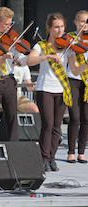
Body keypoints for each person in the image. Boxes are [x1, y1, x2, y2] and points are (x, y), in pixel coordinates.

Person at [26, 12, 88, 172]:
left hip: (62, 91)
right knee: (47, 124)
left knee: (56, 127)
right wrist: (46, 56)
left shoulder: (68, 48)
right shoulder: (41, 46)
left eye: (62, 27)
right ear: (49, 28)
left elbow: (74, 71)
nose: (60, 30)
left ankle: (52, 158)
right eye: (56, 27)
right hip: (44, 89)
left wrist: (86, 63)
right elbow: (29, 61)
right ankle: (44, 158)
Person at [0, 7, 28, 141]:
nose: (9, 27)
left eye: (10, 23)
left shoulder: (11, 39)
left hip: (9, 79)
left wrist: (26, 58)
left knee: (12, 115)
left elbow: (19, 58)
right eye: (6, 24)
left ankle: (13, 147)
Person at [66, 10, 88, 164]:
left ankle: (81, 151)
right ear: (75, 22)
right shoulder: (69, 38)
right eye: (81, 21)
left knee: (86, 118)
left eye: (86, 22)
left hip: (87, 81)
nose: (84, 25)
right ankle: (71, 151)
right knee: (75, 116)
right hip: (72, 79)